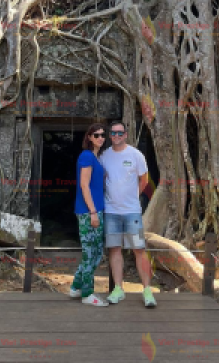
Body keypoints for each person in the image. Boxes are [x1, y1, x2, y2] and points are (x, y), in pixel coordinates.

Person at [102, 122, 157, 308]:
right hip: (111, 212)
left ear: (125, 134)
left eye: (120, 132)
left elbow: (144, 180)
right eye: (113, 133)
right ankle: (118, 288)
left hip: (132, 211)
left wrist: (133, 196)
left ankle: (147, 290)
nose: (116, 135)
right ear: (110, 135)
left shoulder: (135, 155)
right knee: (114, 249)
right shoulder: (105, 156)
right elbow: (102, 179)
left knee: (139, 250)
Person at [71, 124, 109, 305]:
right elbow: (84, 185)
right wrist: (93, 212)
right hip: (89, 212)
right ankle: (87, 294)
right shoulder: (86, 156)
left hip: (96, 211)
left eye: (103, 135)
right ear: (89, 137)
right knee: (90, 253)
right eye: (96, 135)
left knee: (96, 252)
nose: (101, 138)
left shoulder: (96, 157)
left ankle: (75, 287)